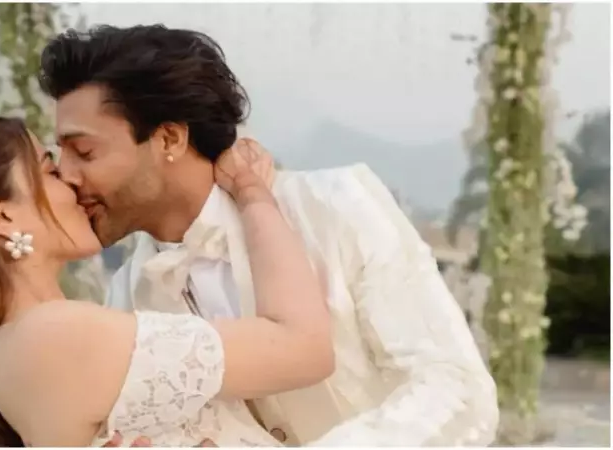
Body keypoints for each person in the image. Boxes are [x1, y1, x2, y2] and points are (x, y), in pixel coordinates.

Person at [39, 24, 500, 446]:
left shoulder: (335, 206)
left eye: (84, 152)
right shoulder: (126, 297)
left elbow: (457, 390)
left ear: (169, 140)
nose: (66, 175)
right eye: (61, 154)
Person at [0, 114, 334, 446]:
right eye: (49, 171)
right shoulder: (53, 337)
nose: (74, 182)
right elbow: (304, 348)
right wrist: (251, 192)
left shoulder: (20, 347)